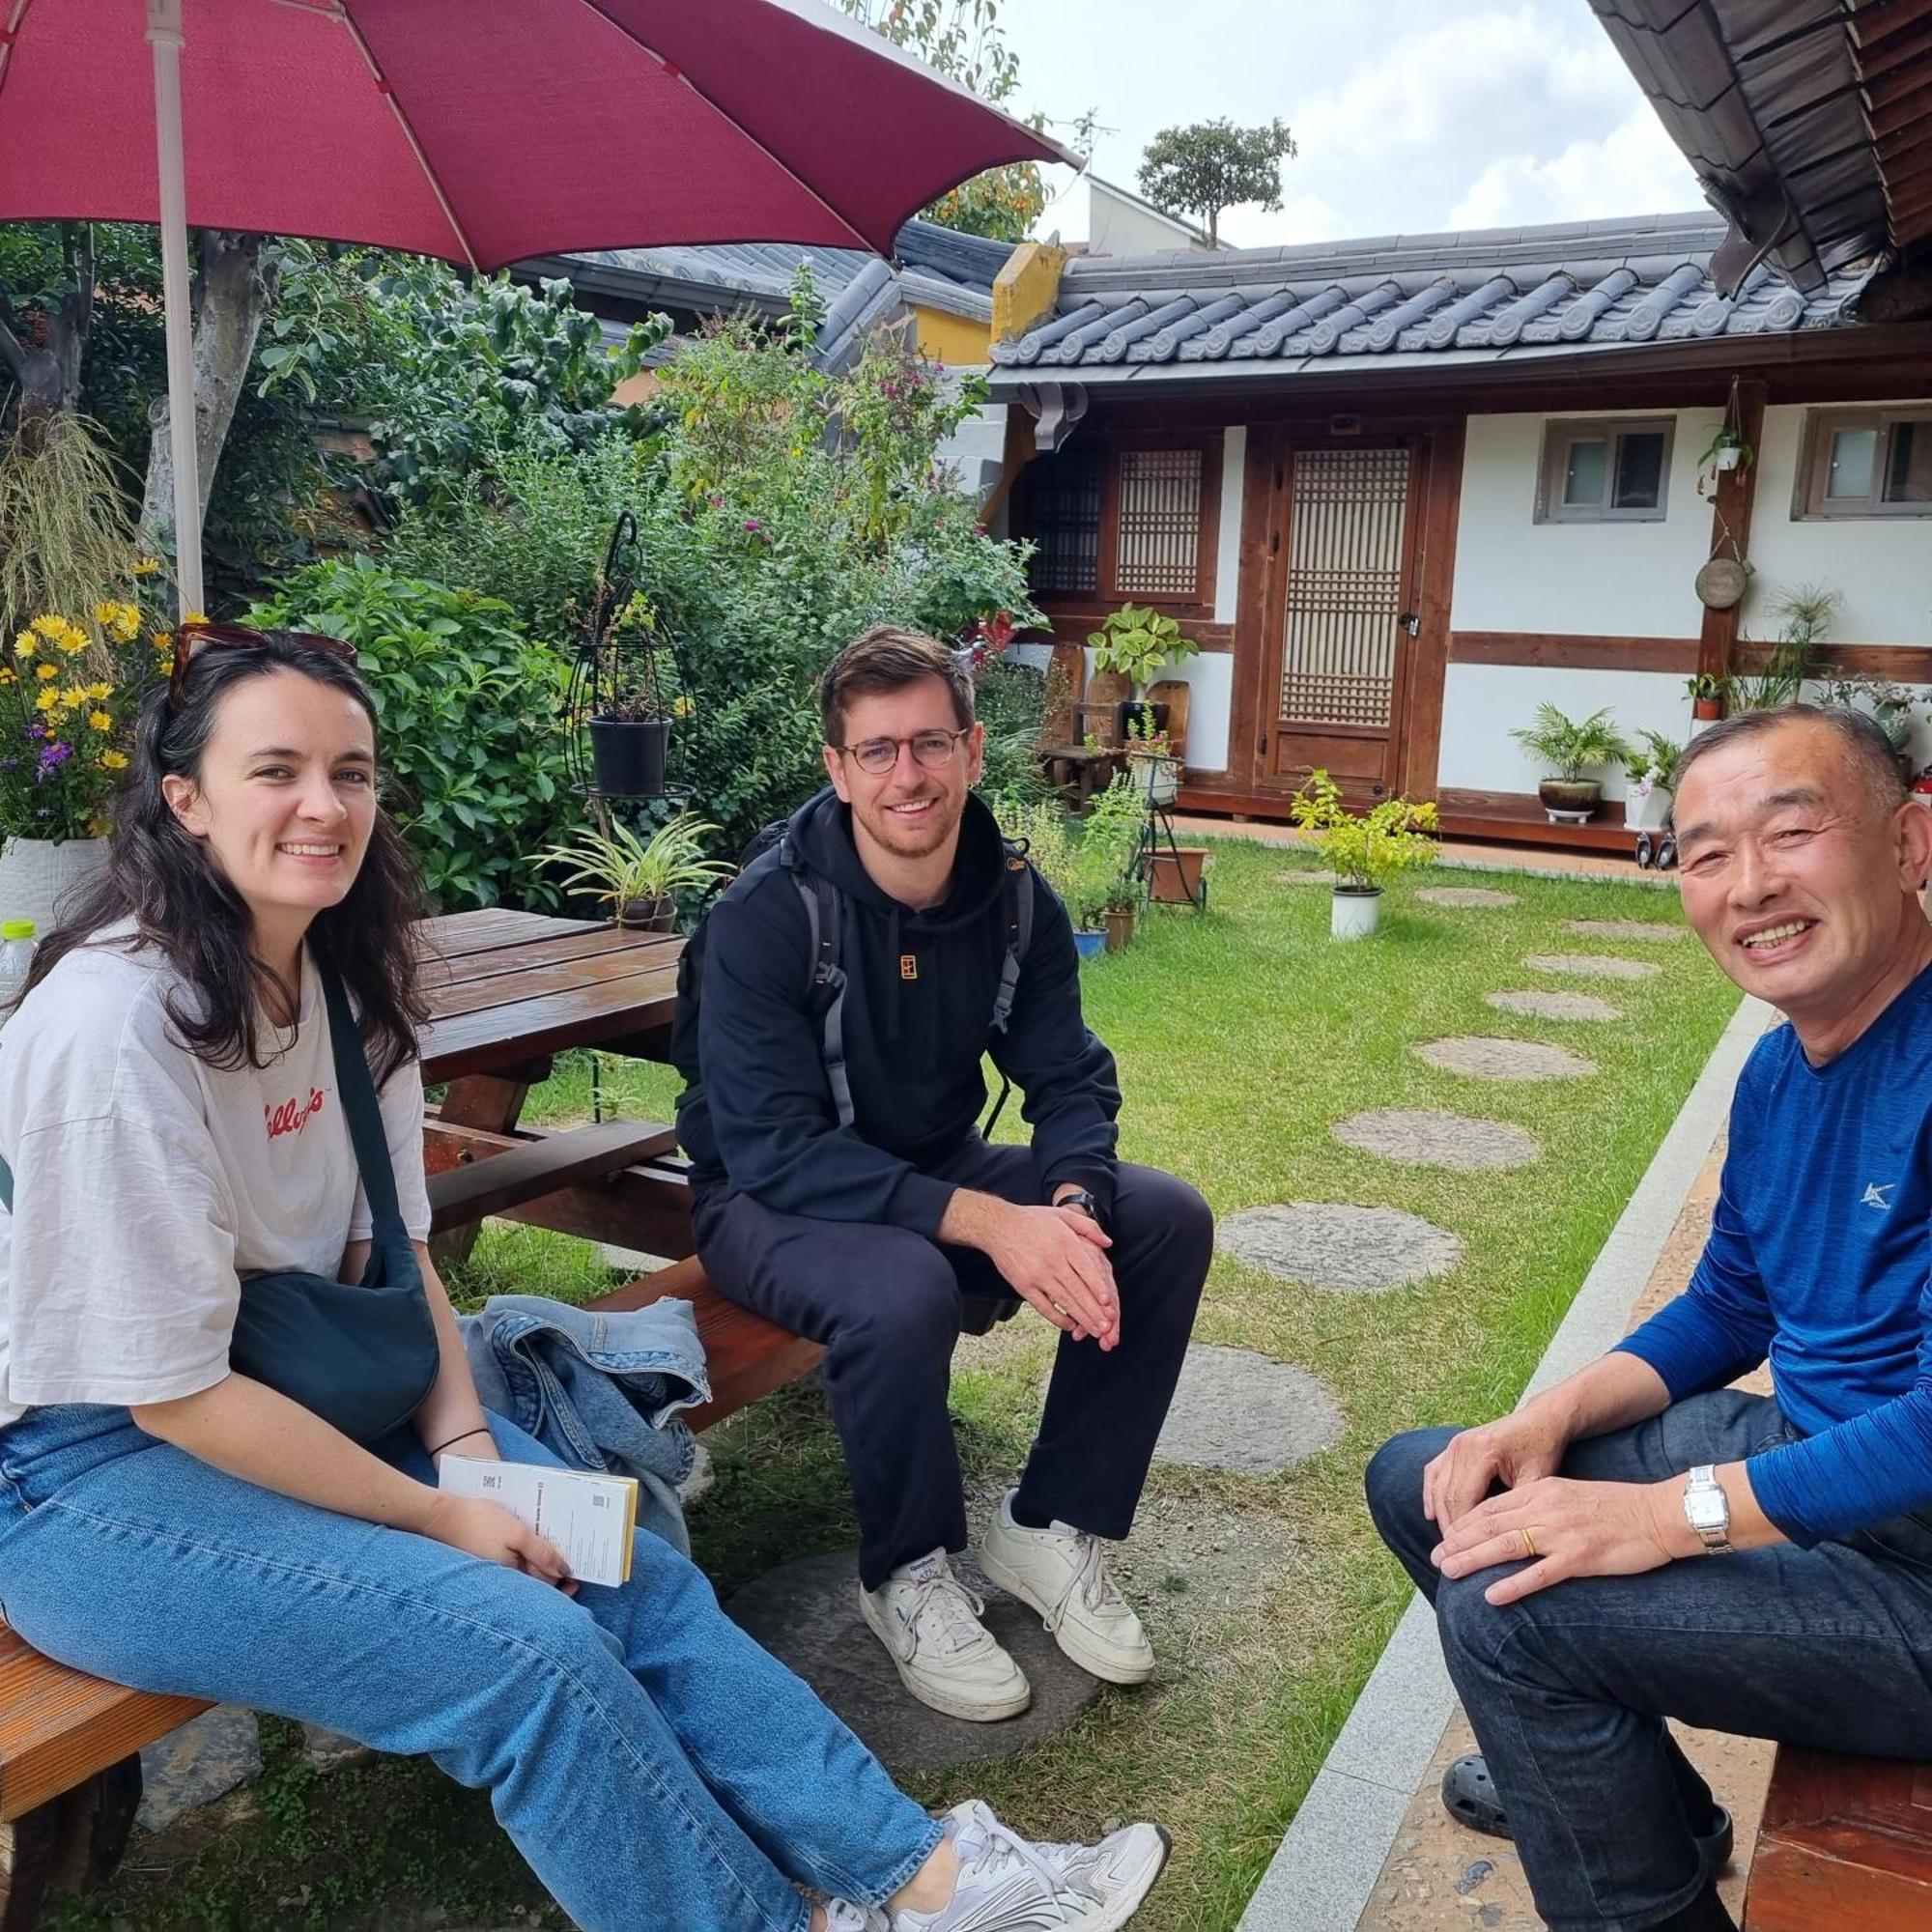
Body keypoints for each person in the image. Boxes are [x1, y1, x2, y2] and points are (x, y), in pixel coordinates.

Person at [0, 623, 1173, 1932]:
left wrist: (472, 1451)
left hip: (303, 1388)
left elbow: (401, 1259)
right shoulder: (113, 1029)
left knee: (619, 1561)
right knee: (533, 1656)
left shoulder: (344, 985)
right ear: (185, 799)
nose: (322, 806)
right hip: (88, 1474)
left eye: (352, 770)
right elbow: (170, 1396)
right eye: (276, 770)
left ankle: (930, 1882)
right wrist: (447, 1514)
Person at [1367, 702, 1932, 1932]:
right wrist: (1545, 1417)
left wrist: (1667, 1515)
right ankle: (1639, 1810)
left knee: (1513, 1623)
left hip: (1917, 1577)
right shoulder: (1782, 1067)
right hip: (1813, 1464)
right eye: (1706, 852)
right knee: (1432, 1478)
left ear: (1908, 844)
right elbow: (1731, 1299)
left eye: (1790, 830)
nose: (1749, 885)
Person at [676, 626, 1211, 1722]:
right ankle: (907, 1572)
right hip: (768, 1196)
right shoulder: (766, 915)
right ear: (836, 769)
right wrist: (988, 1224)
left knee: (1157, 1216)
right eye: (875, 750)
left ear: (971, 750)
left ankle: (1049, 1524)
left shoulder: (1016, 900)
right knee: (901, 1283)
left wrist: (1066, 1204)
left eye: (928, 742)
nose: (906, 774)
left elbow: (1067, 1081)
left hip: (924, 1159)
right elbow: (770, 1146)